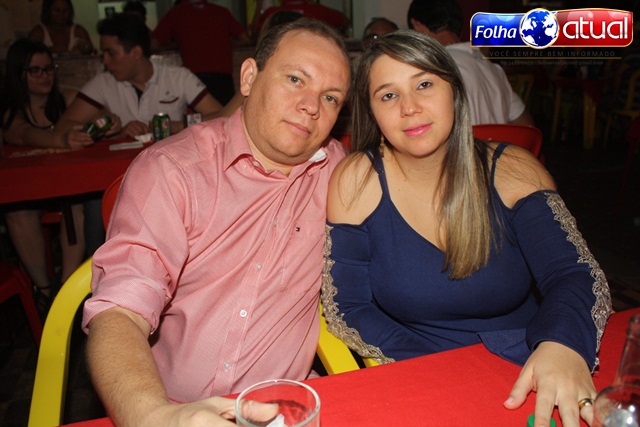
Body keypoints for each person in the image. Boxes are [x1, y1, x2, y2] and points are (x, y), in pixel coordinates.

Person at [322, 30, 612, 427]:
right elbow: (348, 306)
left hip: (530, 362)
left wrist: (562, 344)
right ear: (371, 112)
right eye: (388, 95)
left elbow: (572, 272)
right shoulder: (356, 180)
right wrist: (439, 368)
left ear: (454, 92)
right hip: (419, 372)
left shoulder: (513, 169)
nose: (410, 107)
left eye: (425, 84)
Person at [81, 18, 351, 426]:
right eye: (295, 79)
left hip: (283, 409)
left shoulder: (340, 175)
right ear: (249, 77)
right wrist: (154, 416)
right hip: (169, 405)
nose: (311, 106)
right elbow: (120, 310)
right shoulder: (173, 170)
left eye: (330, 97)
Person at [0, 39, 95, 305]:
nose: (45, 76)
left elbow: (101, 114)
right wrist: (61, 140)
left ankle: (66, 290)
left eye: (49, 68)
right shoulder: (11, 112)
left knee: (76, 204)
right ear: (18, 74)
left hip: (69, 186)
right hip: (30, 188)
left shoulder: (68, 98)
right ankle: (42, 290)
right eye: (35, 70)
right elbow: (22, 134)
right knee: (17, 211)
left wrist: (107, 123)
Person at [55, 13, 223, 140]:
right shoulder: (103, 82)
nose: (104, 61)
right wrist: (114, 132)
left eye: (110, 53)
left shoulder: (178, 77)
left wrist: (179, 126)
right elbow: (62, 127)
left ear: (136, 52)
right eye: (103, 53)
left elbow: (221, 116)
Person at [407, 0, 534, 126]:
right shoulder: (494, 70)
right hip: (497, 140)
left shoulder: (434, 69)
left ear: (417, 26)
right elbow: (528, 127)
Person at [151, 0, 251, 105]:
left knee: (197, 115)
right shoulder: (222, 12)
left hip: (194, 79)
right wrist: (223, 42)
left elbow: (154, 44)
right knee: (228, 113)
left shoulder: (176, 13)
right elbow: (245, 40)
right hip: (222, 77)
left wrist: (178, 44)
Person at [28, 0, 94, 56]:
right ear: (48, 11)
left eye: (65, 11)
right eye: (56, 10)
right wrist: (50, 50)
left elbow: (92, 53)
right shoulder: (38, 33)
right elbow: (27, 55)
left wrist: (86, 48)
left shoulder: (79, 31)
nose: (61, 14)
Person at [253, 0, 350, 38]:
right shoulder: (317, 10)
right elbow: (344, 21)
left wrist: (259, 5)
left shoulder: (271, 12)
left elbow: (254, 34)